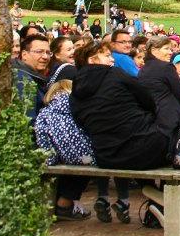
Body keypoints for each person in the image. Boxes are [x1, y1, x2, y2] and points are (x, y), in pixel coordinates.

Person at [69, 41, 170, 170]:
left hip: (106, 156)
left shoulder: (75, 90)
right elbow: (147, 100)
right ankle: (157, 187)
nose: (112, 59)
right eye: (107, 56)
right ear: (91, 60)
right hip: (146, 149)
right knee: (170, 132)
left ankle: (146, 185)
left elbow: (81, 123)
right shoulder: (116, 74)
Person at [35, 79, 97, 221]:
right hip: (88, 156)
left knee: (68, 167)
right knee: (83, 166)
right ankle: (65, 204)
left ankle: (61, 203)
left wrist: (50, 161)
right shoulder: (78, 108)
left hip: (63, 156)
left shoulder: (45, 113)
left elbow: (43, 139)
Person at [138, 36, 180, 137]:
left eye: (171, 49)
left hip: (152, 119)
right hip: (170, 119)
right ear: (153, 50)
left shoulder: (143, 70)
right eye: (166, 48)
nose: (170, 52)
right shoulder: (166, 67)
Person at [13, 33, 51, 122]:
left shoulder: (33, 76)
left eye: (48, 52)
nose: (45, 57)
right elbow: (27, 121)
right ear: (24, 54)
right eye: (39, 52)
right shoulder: (22, 79)